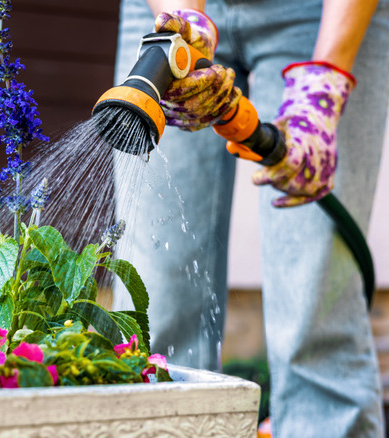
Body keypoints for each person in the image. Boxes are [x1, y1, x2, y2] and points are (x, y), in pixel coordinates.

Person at [110, 0, 389, 436]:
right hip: (168, 11)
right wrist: (185, 24)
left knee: (313, 304)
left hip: (323, 13)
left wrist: (325, 85)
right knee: (153, 307)